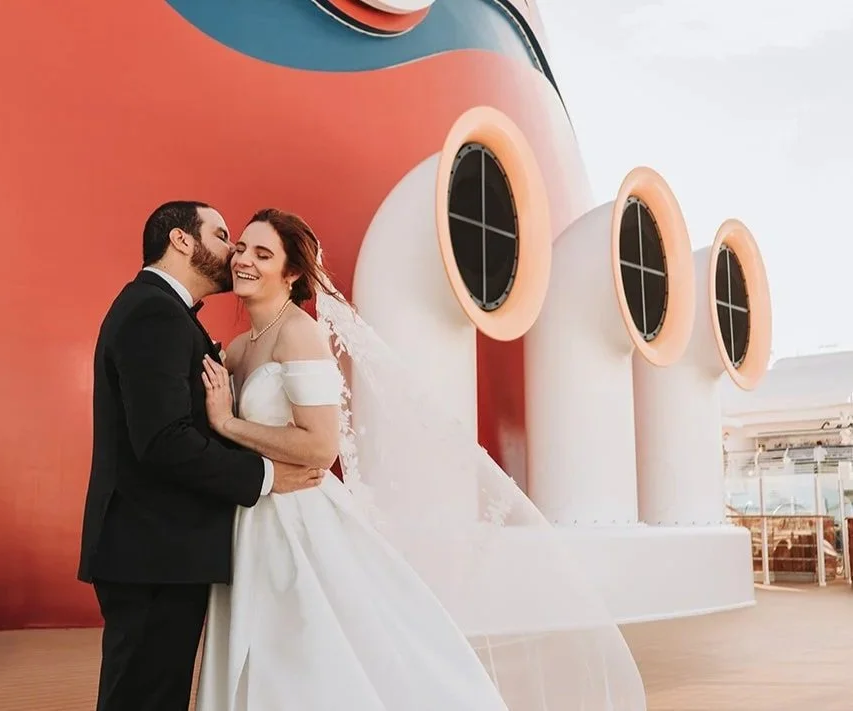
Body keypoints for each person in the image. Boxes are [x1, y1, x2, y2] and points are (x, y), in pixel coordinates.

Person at [194, 209, 648, 710]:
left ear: (292, 273)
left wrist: (229, 424)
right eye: (241, 248)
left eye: (263, 254)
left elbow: (321, 446)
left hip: (300, 519)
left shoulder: (298, 334)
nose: (244, 260)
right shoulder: (240, 348)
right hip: (254, 514)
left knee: (308, 648)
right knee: (266, 650)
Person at [76, 201, 324, 711]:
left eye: (257, 251)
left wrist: (230, 426)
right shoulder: (155, 313)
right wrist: (265, 476)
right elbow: (165, 441)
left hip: (167, 548)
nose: (235, 253)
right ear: (181, 240)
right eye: (225, 236)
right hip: (154, 549)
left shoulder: (166, 313)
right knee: (145, 696)